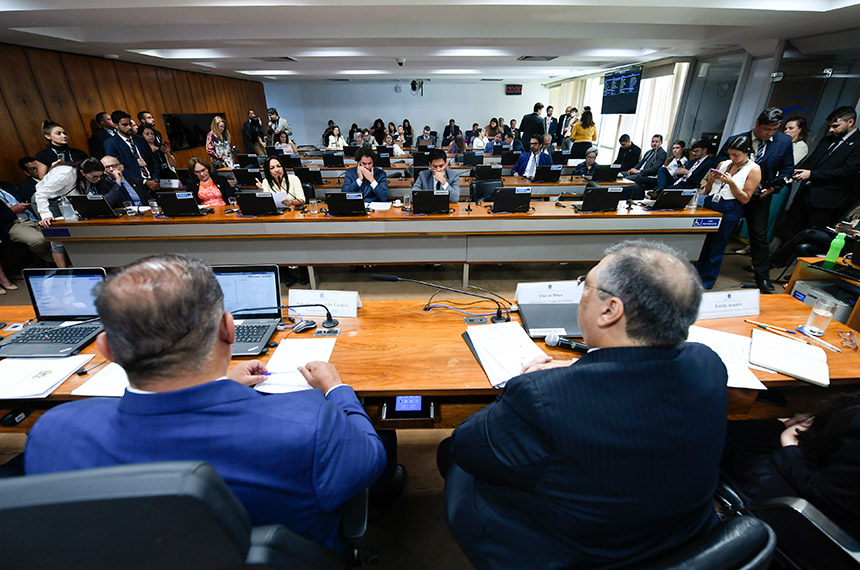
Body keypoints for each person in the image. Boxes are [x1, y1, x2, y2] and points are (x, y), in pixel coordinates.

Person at [24, 254, 387, 553]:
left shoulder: (53, 432)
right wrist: (337, 391)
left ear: (106, 349)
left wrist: (224, 386)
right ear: (228, 330)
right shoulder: (311, 424)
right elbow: (371, 459)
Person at [440, 240, 728, 569]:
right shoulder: (708, 364)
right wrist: (581, 371)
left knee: (451, 455)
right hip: (683, 541)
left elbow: (467, 448)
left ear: (609, 310)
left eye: (586, 285)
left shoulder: (542, 398)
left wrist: (529, 384)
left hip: (575, 555)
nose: (582, 294)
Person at [722, 392, 860, 540]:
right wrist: (823, 420)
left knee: (734, 443)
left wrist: (789, 445)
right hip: (829, 477)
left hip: (822, 519)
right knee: (761, 429)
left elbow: (824, 495)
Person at [719, 107, 794, 293]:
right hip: (732, 194)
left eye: (774, 130)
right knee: (720, 231)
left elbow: (787, 170)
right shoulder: (737, 140)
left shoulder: (783, 142)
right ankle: (707, 269)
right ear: (757, 124)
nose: (770, 134)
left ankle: (763, 278)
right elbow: (720, 164)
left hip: (761, 195)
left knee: (759, 237)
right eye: (766, 129)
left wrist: (773, 189)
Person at [781, 106, 860, 240]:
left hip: (827, 201)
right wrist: (796, 171)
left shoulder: (858, 143)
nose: (831, 130)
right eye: (830, 126)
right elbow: (812, 160)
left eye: (836, 126)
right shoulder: (827, 140)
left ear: (850, 122)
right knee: (789, 232)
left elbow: (847, 171)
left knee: (811, 238)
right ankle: (778, 261)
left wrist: (812, 175)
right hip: (805, 194)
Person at [696, 135, 761, 289]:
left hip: (730, 207)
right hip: (711, 203)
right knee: (703, 243)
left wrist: (731, 183)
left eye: (736, 155)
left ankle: (706, 281)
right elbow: (710, 187)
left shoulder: (754, 169)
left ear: (747, 151)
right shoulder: (724, 163)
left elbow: (745, 198)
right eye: (730, 154)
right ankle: (695, 275)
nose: (732, 158)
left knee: (717, 246)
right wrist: (712, 179)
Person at [103, 110, 160, 192]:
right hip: (134, 185)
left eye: (130, 124)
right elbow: (118, 168)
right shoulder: (111, 143)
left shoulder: (139, 139)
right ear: (116, 125)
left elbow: (153, 160)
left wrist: (155, 179)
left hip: (154, 183)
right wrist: (144, 182)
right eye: (125, 125)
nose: (129, 127)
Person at [0, 180, 53, 265]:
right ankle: (50, 260)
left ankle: (57, 258)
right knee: (39, 240)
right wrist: (13, 210)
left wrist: (28, 204)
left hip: (30, 217)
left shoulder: (6, 185)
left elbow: (23, 196)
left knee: (58, 232)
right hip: (11, 225)